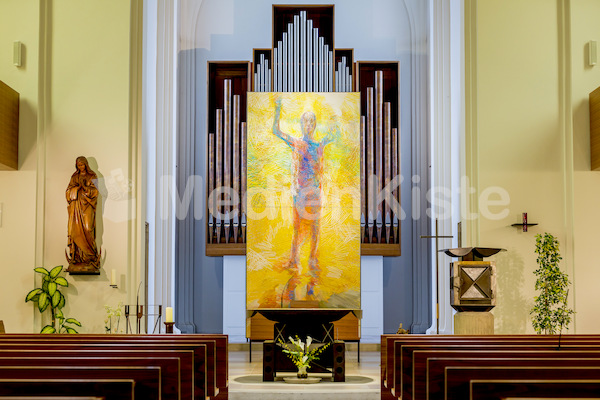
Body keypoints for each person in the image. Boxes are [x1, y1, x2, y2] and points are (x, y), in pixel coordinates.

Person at [272, 97, 339, 302]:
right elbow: (276, 131)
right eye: (306, 121)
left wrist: (335, 115)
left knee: (315, 229)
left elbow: (335, 134)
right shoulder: (297, 143)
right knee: (298, 229)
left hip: (314, 193)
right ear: (302, 124)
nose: (308, 124)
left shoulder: (319, 145)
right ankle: (294, 263)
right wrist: (278, 108)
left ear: (315, 125)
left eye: (312, 121)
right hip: (301, 192)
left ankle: (312, 266)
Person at [66, 156, 100, 269]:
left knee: (88, 228)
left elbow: (95, 191)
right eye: (78, 165)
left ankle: (90, 256)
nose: (81, 167)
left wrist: (85, 188)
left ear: (86, 164)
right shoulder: (74, 177)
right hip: (76, 208)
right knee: (76, 231)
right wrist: (76, 189)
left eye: (82, 165)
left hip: (87, 206)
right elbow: (68, 192)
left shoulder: (92, 176)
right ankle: (78, 257)